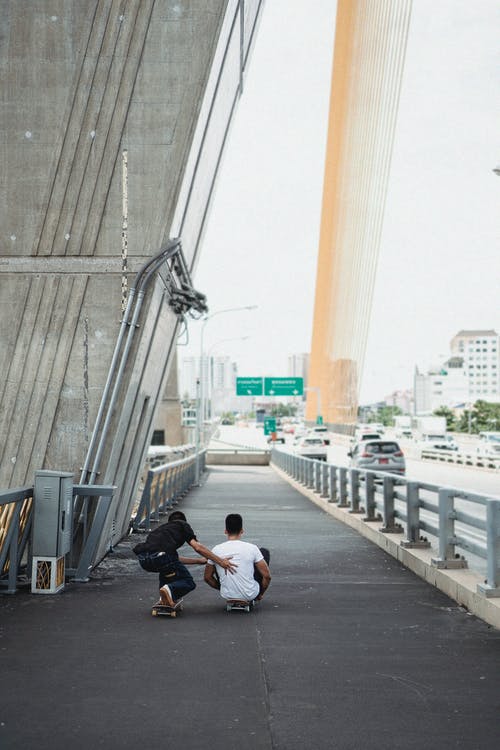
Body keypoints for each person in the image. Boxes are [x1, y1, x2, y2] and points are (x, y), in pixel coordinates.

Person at [133, 510, 237, 607]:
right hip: (163, 557)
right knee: (188, 582)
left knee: (166, 568)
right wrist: (220, 561)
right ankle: (169, 590)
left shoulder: (160, 530)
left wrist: (198, 561)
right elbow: (198, 547)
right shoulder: (182, 525)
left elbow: (171, 558)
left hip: (144, 560)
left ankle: (164, 597)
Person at [204, 513, 271, 603]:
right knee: (264, 552)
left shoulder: (216, 549)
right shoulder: (252, 548)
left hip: (227, 594)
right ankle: (255, 595)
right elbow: (267, 576)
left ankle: (230, 591)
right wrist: (261, 593)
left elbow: (207, 577)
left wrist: (221, 588)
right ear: (242, 531)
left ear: (225, 531)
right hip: (250, 594)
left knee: (216, 562)